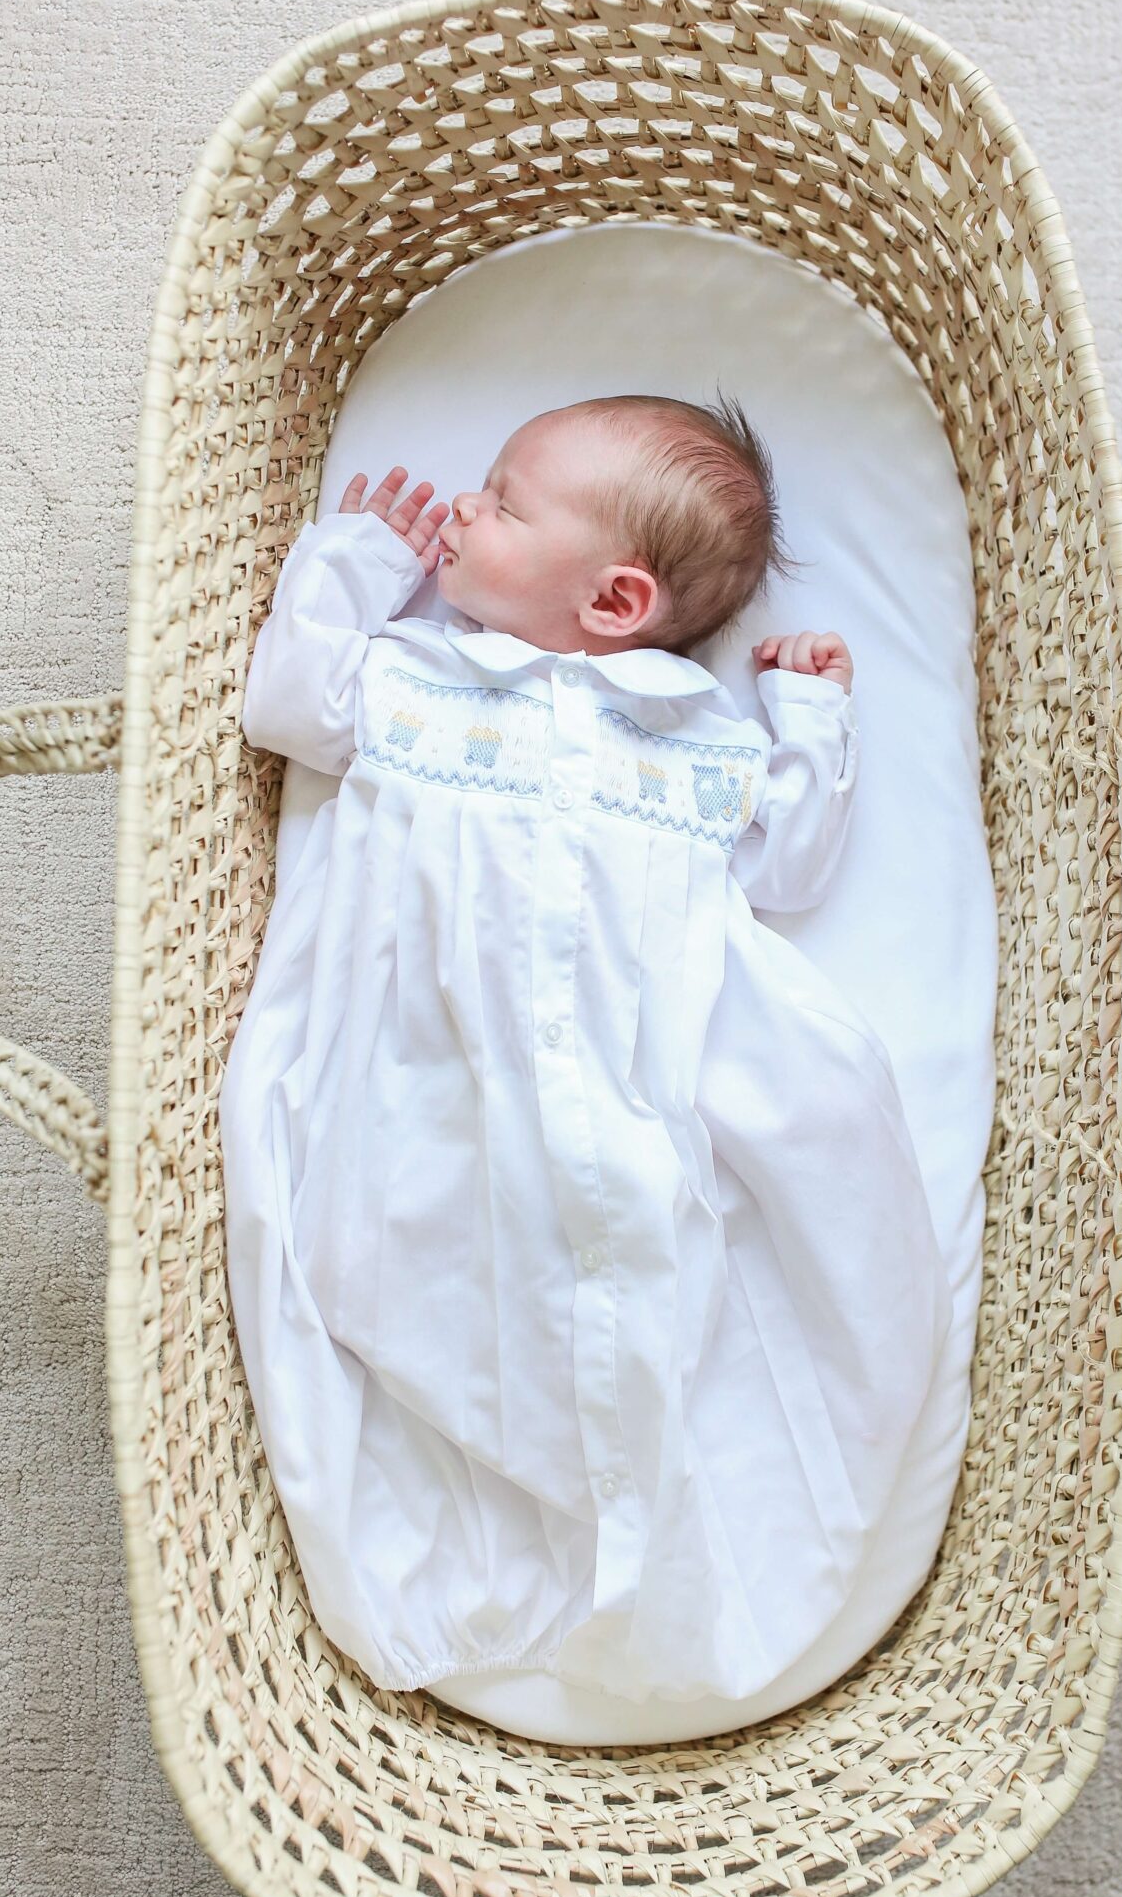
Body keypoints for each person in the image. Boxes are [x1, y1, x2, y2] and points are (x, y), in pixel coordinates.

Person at [217, 391, 952, 1703]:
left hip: (636, 1065)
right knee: (418, 1249)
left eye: (500, 500)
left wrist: (812, 730)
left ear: (615, 603)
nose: (457, 509)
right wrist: (354, 564)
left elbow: (786, 870)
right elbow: (287, 707)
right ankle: (495, 1530)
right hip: (426, 1055)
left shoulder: (689, 737)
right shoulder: (412, 675)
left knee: (677, 1226)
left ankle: (644, 1519)